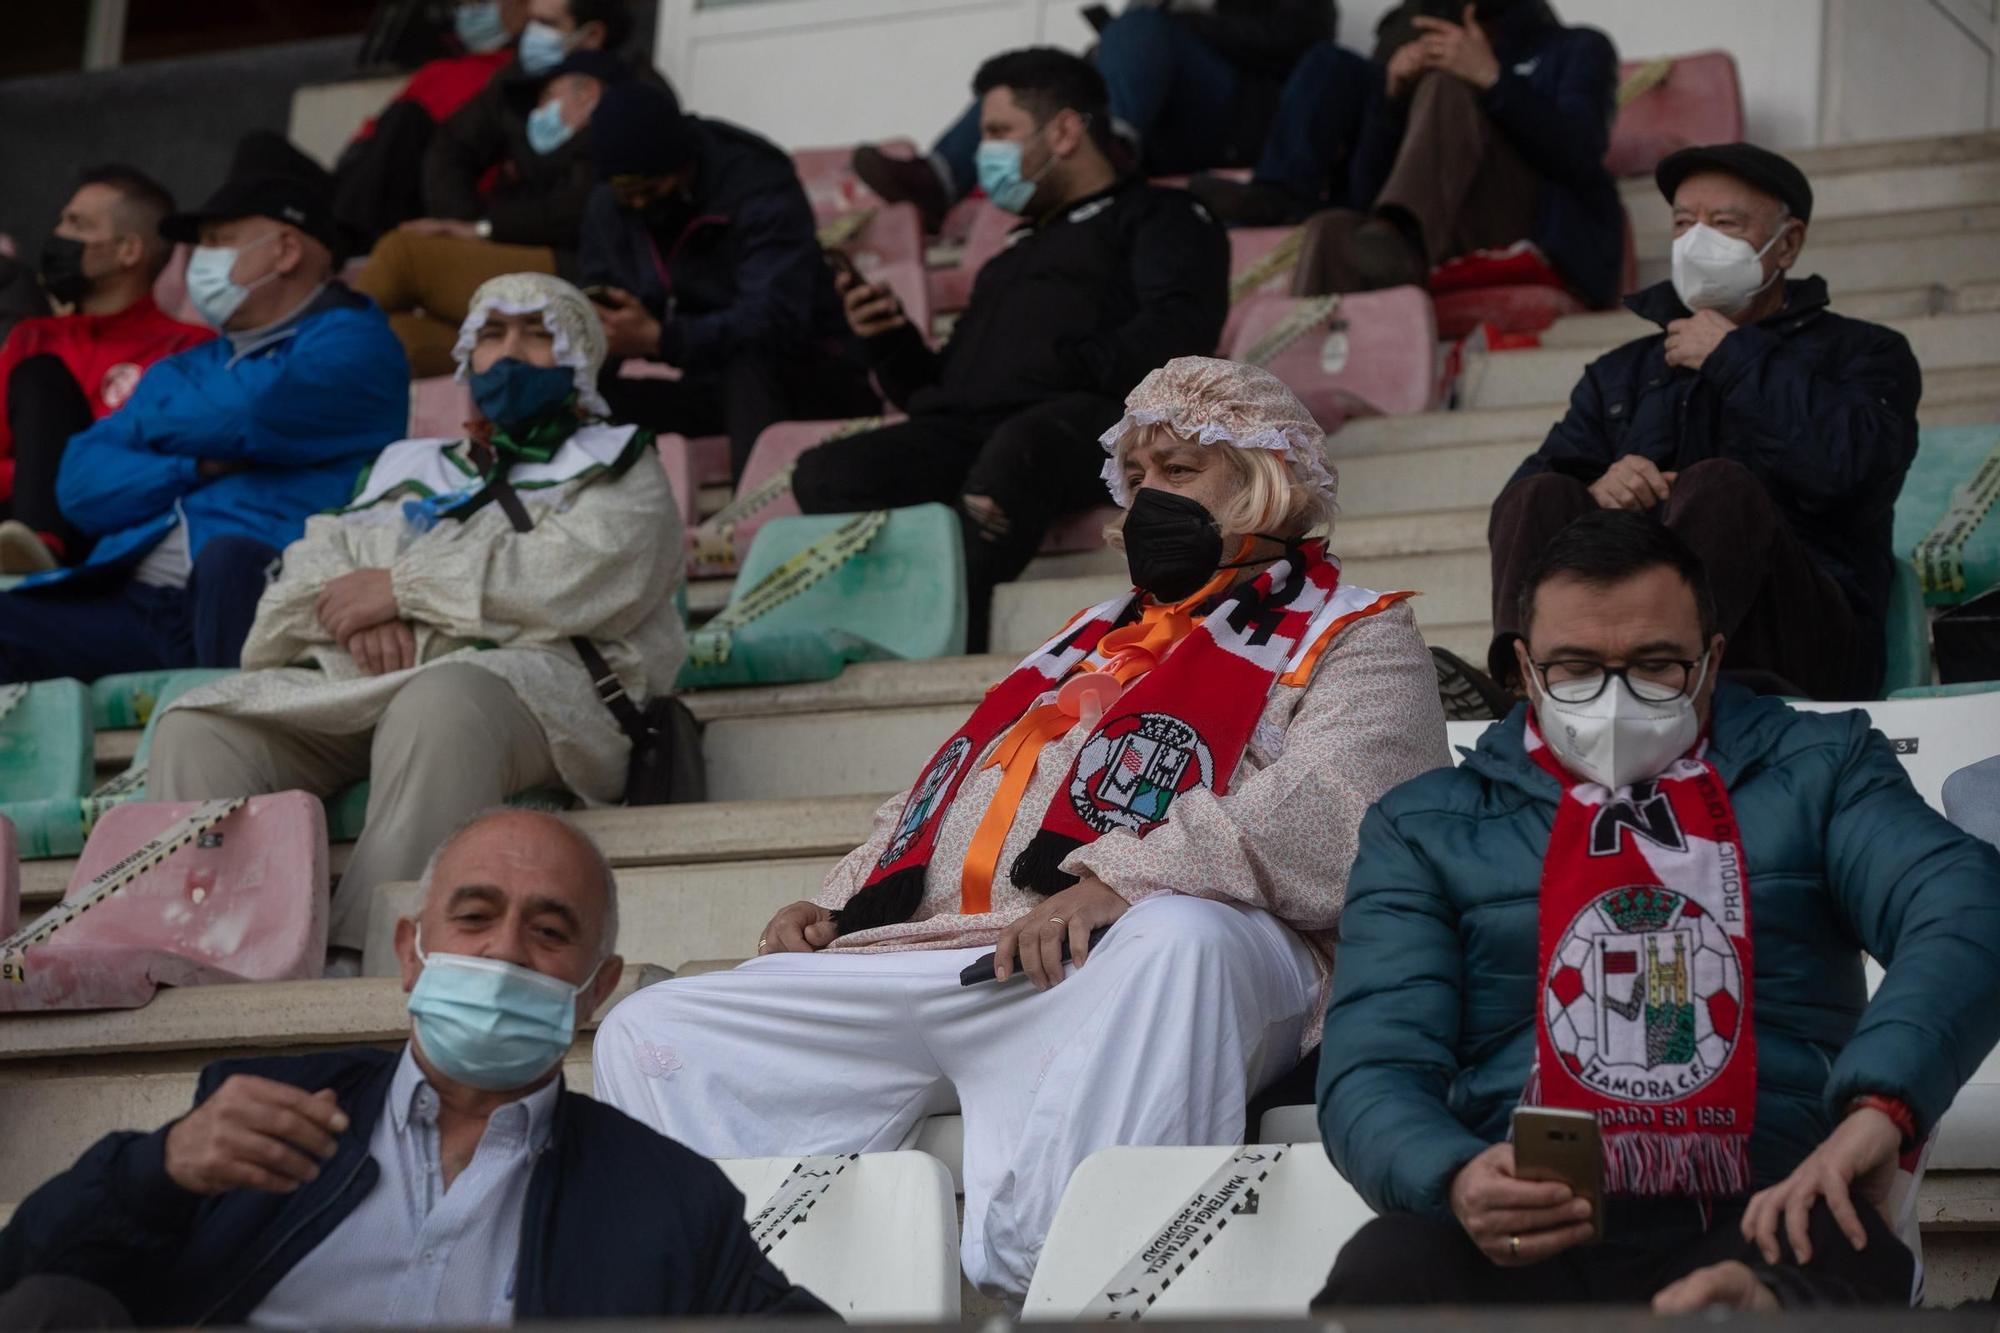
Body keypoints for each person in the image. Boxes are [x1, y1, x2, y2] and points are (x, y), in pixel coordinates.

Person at [593, 356, 1449, 1297]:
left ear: (1265, 483)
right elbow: (951, 791)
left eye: (1180, 471)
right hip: (953, 952)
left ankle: (1058, 1288)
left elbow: (1345, 805)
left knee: (1178, 936)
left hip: (1135, 964)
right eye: (1140, 476)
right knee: (653, 1026)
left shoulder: (1356, 631)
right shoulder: (1087, 635)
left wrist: (1127, 876)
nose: (1144, 499)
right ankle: (746, 1299)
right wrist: (835, 903)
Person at [1315, 510, 2000, 1310]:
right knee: (1384, 1277)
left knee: (1813, 1262)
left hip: (1772, 1201)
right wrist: (1454, 1174)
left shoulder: (1822, 767)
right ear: (1524, 669)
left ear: (1712, 659)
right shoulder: (1425, 825)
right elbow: (1375, 1065)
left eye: (1654, 664)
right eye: (1575, 667)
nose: (1614, 695)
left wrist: (1885, 1104)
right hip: (1526, 1217)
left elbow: (1965, 902)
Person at [0, 809, 832, 1328]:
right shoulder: (255, 1114)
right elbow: (26, 1272)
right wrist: (158, 1170)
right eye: (474, 918)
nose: (505, 949)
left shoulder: (665, 1199)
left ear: (596, 990)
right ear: (411, 952)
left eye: (549, 932)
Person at [152, 273, 684, 971]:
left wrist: (400, 586)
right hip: (371, 677)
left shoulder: (619, 460)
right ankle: (206, 963)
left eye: (536, 333)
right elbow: (306, 574)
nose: (511, 353)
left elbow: (573, 580)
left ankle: (368, 957)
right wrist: (356, 613)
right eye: (492, 334)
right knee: (200, 726)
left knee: (440, 701)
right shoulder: (409, 465)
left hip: (542, 692)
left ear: (579, 355)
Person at [793, 48, 1229, 648]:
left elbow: (1180, 337)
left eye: (999, 132)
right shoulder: (1009, 258)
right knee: (828, 474)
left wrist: (1064, 363)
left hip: (1093, 427)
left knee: (1019, 446)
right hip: (979, 430)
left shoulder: (1165, 217)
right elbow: (937, 392)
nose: (985, 154)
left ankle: (945, 642)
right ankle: (865, 628)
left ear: (1066, 130)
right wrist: (889, 341)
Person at [1486, 143, 1922, 700]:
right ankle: (1521, 686)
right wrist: (1599, 489)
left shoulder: (1866, 353)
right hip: (1616, 631)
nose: (1698, 241)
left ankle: (1658, 676)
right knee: (1539, 493)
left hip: (1798, 639)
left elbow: (1851, 471)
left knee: (1719, 486)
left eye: (1724, 223)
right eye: (1684, 223)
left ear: (1787, 243)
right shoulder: (1621, 372)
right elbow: (1522, 506)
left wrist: (1733, 357)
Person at [0, 153, 407, 685]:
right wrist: (199, 466)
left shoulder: (358, 341)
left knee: (227, 559)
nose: (199, 261)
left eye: (220, 242)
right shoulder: (189, 363)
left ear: (285, 251)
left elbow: (252, 412)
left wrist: (160, 429)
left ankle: (226, 743)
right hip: (140, 597)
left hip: (265, 590)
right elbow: (79, 483)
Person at [576, 80, 879, 481]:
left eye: (648, 189)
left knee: (748, 362)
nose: (638, 204)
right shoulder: (610, 205)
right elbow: (599, 293)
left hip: (812, 377)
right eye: (625, 193)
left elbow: (774, 320)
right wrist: (601, 336)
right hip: (708, 386)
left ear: (681, 164)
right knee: (578, 399)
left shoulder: (758, 186)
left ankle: (749, 524)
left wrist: (660, 339)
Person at [854, 1, 1338, 233]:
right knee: (1043, 75)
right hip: (1157, 131)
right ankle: (938, 179)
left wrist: (1190, 18)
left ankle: (1108, 145)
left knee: (1143, 26)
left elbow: (1302, 38)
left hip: (1238, 122)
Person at [354, 0, 641, 376]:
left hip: (581, 266)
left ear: (592, 35)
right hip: (512, 250)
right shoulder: (517, 80)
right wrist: (465, 224)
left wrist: (484, 230)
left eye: (545, 23)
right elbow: (451, 147)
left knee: (402, 256)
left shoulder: (633, 97)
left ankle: (310, 356)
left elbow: (582, 205)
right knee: (397, 337)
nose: (528, 32)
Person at [1277, 0, 1622, 307]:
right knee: (1329, 231)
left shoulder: (1579, 46)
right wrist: (1392, 103)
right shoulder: (1431, 44)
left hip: (1535, 225)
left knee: (1447, 87)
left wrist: (1493, 79)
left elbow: (1581, 153)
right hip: (1439, 230)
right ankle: (1299, 376)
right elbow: (1364, 195)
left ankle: (1401, 240)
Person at [0, 165, 211, 572]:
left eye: (76, 224)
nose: (58, 234)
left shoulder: (188, 348)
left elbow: (143, 467)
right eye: (62, 220)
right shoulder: (34, 335)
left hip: (112, 532)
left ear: (128, 250)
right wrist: (28, 480)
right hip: (11, 525)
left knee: (43, 377)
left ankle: (37, 546)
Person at [330, 0, 533, 252]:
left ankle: (345, 242)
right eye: (465, 5)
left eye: (482, 3)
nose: (469, 12)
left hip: (450, 203)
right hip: (373, 189)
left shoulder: (520, 76)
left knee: (408, 118)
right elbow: (369, 142)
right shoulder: (436, 72)